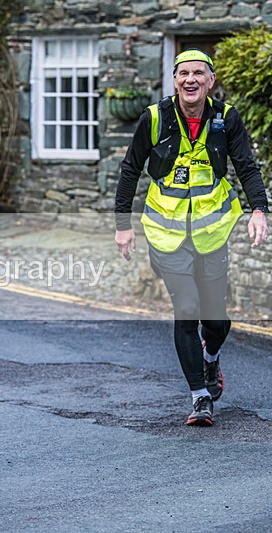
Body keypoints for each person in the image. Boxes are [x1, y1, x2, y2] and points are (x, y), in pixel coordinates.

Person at [114, 49, 269, 426]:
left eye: (199, 73)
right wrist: (122, 224)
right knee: (186, 309)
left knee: (217, 321)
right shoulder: (154, 118)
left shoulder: (226, 118)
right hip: (166, 235)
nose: (190, 79)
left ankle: (211, 357)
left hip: (211, 233)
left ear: (211, 81)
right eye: (183, 73)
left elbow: (246, 166)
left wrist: (259, 210)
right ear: (174, 80)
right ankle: (200, 396)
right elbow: (130, 169)